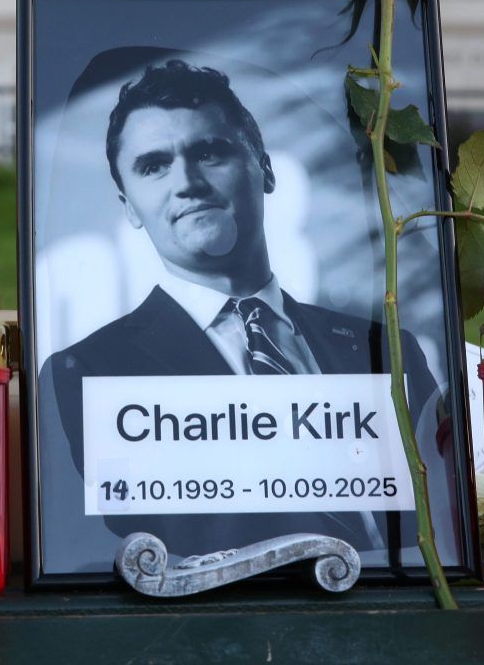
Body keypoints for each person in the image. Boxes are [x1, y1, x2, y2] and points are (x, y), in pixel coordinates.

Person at [44, 58, 441, 557]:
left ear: (266, 169)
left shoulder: (386, 349)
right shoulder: (88, 374)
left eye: (209, 153)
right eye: (153, 166)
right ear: (128, 206)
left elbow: (443, 519)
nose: (186, 181)